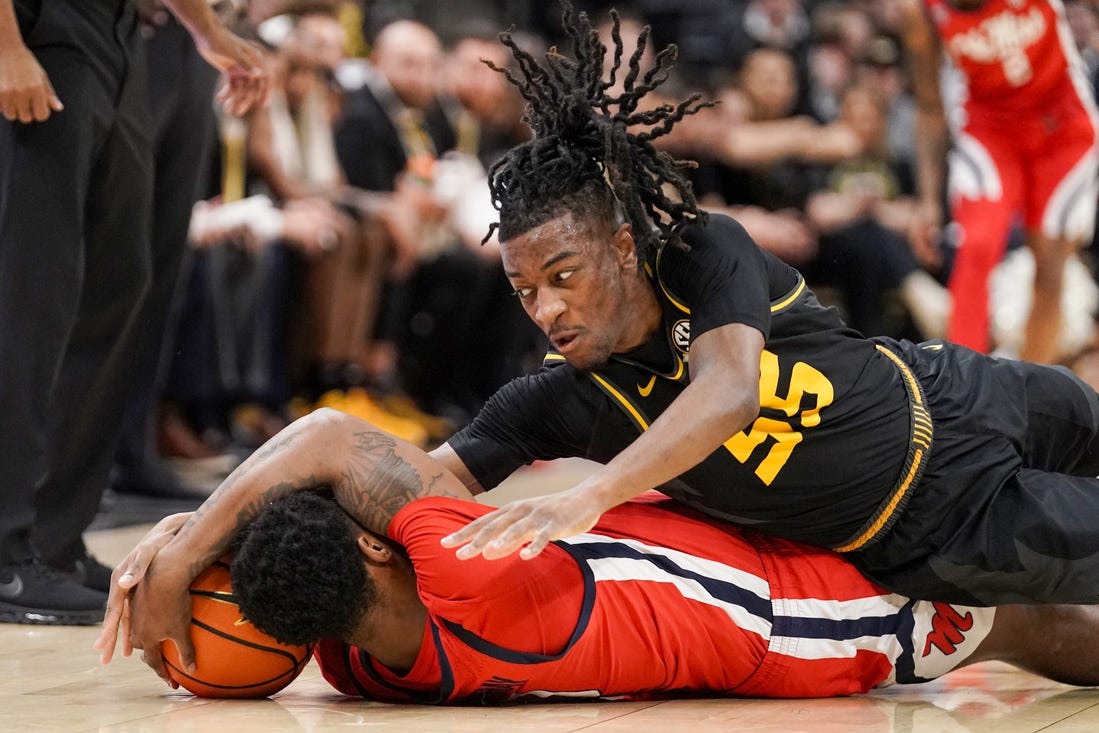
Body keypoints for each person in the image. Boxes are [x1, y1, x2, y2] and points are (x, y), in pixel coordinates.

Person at [107, 5, 1099, 659]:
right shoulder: (561, 399)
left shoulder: (706, 249)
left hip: (968, 390)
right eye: (524, 287)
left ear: (623, 244)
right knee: (1068, 637)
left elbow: (728, 391)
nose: (545, 308)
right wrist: (199, 539)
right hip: (932, 526)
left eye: (563, 275)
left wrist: (593, 492)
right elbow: (355, 457)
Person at [96, 410, 1099, 696]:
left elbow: (289, 557)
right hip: (795, 610)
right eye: (364, 534)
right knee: (1029, 620)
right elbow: (321, 441)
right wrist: (183, 559)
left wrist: (189, 557)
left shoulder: (363, 661)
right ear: (372, 556)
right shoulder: (455, 563)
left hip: (720, 539)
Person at [0, 0, 267, 625]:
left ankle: (53, 543)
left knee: (122, 283)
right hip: (40, 30)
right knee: (30, 297)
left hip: (119, 35)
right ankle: (5, 551)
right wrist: (7, 44)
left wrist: (209, 31)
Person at [898, 0, 1099, 363]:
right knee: (975, 245)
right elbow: (929, 108)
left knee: (1050, 266)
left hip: (1063, 126)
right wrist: (926, 199)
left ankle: (1031, 389)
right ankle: (962, 385)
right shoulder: (921, 11)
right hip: (990, 129)